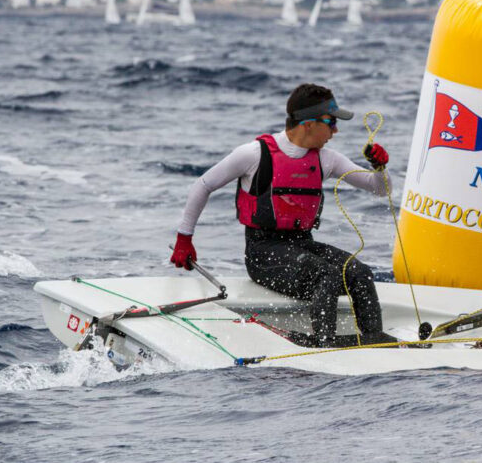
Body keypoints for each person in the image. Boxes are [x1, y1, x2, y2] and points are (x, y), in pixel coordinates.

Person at [169, 83, 395, 348]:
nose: (335, 130)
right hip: (263, 252)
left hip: (303, 244)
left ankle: (374, 340)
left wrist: (379, 167)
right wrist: (185, 238)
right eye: (331, 122)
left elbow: (381, 189)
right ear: (308, 124)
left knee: (360, 272)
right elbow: (203, 185)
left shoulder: (326, 159)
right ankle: (325, 343)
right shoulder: (253, 154)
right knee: (327, 276)